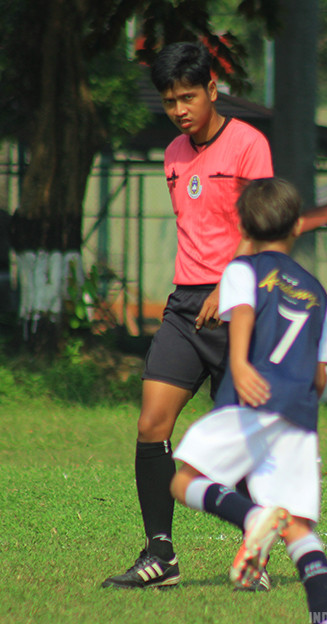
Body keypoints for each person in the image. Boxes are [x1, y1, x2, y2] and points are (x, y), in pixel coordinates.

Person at [102, 41, 273, 589]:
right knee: (152, 423)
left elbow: (262, 229)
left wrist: (230, 284)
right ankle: (160, 555)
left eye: (189, 97)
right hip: (184, 307)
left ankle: (256, 556)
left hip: (239, 305)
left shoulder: (249, 144)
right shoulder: (175, 155)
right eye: (171, 99)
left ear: (212, 90)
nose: (180, 109)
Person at [168, 178, 327, 624]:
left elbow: (245, 314)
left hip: (255, 398)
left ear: (244, 228)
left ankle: (252, 518)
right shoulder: (317, 291)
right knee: (298, 528)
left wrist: (242, 365)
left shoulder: (242, 268)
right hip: (300, 413)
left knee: (183, 478)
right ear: (298, 226)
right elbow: (320, 376)